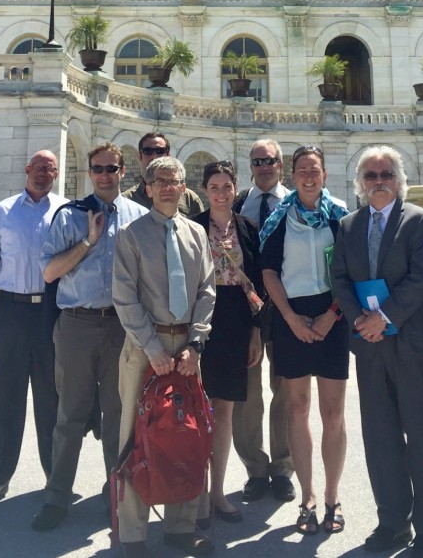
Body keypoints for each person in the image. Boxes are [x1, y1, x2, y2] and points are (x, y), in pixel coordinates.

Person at [332, 146, 423, 558]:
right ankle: (392, 524)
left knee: (420, 435)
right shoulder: (347, 225)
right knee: (380, 436)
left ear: (398, 181)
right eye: (370, 175)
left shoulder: (419, 221)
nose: (378, 181)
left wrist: (383, 317)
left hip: (411, 340)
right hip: (369, 344)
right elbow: (340, 279)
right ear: (360, 183)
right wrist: (363, 322)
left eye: (385, 174)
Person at [31, 142, 146, 531]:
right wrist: (88, 243)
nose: (105, 175)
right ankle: (57, 496)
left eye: (112, 168)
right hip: (77, 324)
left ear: (123, 170)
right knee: (70, 415)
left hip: (121, 326)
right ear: (90, 172)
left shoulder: (139, 216)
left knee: (118, 416)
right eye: (98, 168)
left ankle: (116, 494)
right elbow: (49, 272)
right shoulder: (71, 216)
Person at [113, 155, 216, 558]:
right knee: (136, 438)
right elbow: (125, 296)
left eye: (176, 181)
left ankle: (181, 527)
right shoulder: (131, 234)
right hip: (145, 348)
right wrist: (153, 349)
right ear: (149, 187)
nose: (170, 187)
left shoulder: (196, 233)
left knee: (187, 436)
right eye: (162, 181)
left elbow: (207, 290)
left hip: (187, 349)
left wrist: (195, 345)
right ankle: (134, 534)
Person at [260, 146, 349, 536]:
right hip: (290, 317)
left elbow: (350, 271)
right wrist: (291, 318)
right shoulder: (280, 217)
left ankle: (332, 497)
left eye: (314, 170)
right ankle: (308, 497)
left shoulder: (341, 216)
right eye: (301, 171)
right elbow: (268, 272)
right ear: (291, 176)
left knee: (333, 414)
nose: (308, 176)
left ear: (325, 175)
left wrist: (332, 315)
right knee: (296, 408)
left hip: (334, 315)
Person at [0, 149, 65, 506]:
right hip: (10, 311)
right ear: (27, 170)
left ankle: (56, 478)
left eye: (50, 169)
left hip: (50, 316)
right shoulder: (3, 212)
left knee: (51, 399)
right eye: (38, 167)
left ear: (57, 173)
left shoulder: (65, 211)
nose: (43, 174)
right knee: (4, 397)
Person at [197, 160, 263, 524]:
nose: (221, 193)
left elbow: (257, 282)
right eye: (214, 187)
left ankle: (216, 493)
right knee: (196, 412)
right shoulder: (192, 226)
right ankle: (194, 492)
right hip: (201, 321)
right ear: (205, 191)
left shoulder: (249, 228)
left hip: (237, 323)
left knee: (223, 412)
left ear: (236, 188)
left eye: (227, 186)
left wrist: (256, 331)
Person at [232, 138, 295, 503]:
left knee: (286, 392)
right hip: (246, 311)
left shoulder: (296, 202)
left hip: (286, 309)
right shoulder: (239, 203)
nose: (264, 166)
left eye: (270, 160)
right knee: (248, 396)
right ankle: (255, 469)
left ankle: (283, 469)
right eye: (257, 161)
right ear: (250, 166)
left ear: (280, 165)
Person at [124, 132, 204, 217]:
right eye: (148, 151)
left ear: (168, 155)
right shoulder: (127, 199)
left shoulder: (189, 198)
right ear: (140, 156)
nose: (154, 156)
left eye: (160, 151)